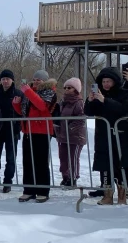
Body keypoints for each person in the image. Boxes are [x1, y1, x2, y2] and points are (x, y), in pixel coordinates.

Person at [84, 67, 128, 205]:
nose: (106, 84)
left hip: (121, 137)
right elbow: (89, 113)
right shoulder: (99, 94)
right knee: (105, 165)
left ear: (115, 81)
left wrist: (105, 101)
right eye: (103, 81)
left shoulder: (124, 93)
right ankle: (107, 195)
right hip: (103, 136)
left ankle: (122, 195)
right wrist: (90, 101)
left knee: (121, 165)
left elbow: (123, 109)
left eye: (109, 81)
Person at [13, 70, 57, 203]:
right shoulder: (29, 92)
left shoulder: (50, 92)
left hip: (42, 131)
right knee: (27, 162)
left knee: (41, 163)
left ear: (45, 81)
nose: (36, 81)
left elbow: (42, 106)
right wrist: (16, 104)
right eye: (35, 79)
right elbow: (24, 112)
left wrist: (28, 92)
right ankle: (29, 190)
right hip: (28, 131)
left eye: (39, 79)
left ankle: (43, 191)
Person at [0, 69, 24, 193]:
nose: (5, 81)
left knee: (10, 158)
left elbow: (23, 111)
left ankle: (8, 181)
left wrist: (19, 125)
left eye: (7, 79)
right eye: (3, 79)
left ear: (12, 80)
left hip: (12, 130)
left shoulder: (18, 93)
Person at [55, 78, 86, 188]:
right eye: (65, 88)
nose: (67, 90)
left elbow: (81, 118)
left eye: (70, 88)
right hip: (63, 135)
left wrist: (70, 128)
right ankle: (65, 177)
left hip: (75, 136)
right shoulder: (63, 101)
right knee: (63, 157)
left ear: (76, 89)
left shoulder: (79, 102)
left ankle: (73, 178)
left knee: (73, 157)